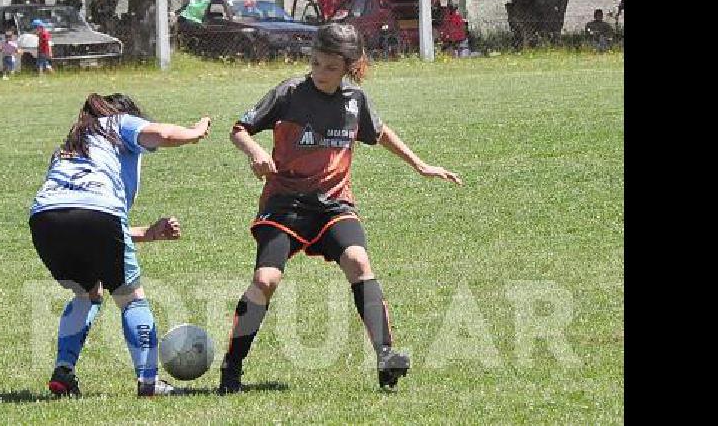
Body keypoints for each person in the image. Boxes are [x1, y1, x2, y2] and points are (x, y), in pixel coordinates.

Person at [219, 23, 463, 394]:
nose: (319, 73)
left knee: (359, 262)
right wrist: (255, 152)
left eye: (330, 67)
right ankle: (231, 368)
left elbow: (379, 133)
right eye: (315, 63)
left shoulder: (355, 99)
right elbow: (240, 128)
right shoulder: (290, 93)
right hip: (284, 204)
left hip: (334, 205)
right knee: (265, 281)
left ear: (348, 66)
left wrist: (420, 165)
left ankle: (386, 357)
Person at [29, 93, 212, 397]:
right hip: (96, 214)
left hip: (45, 219)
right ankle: (149, 382)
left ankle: (64, 371)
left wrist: (149, 233)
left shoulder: (68, 146)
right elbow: (163, 134)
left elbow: (83, 217)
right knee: (130, 299)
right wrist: (195, 132)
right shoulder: (115, 122)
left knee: (86, 293)